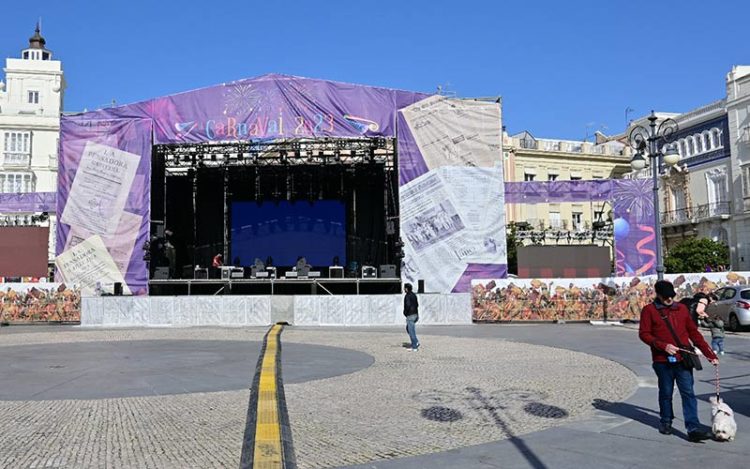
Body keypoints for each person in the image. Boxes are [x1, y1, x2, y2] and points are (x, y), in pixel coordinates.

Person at [639, 280, 719, 442]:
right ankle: (666, 421)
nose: (670, 300)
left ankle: (693, 428)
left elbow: (694, 333)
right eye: (666, 297)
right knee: (666, 392)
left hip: (683, 359)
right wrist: (662, 345)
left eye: (672, 296)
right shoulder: (649, 311)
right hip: (662, 360)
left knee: (688, 393)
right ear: (659, 295)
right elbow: (644, 334)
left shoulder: (681, 309)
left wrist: (710, 355)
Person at [403, 283, 420, 351]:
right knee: (408, 328)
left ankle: (414, 347)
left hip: (410, 315)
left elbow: (407, 305)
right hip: (415, 314)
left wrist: (405, 313)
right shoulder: (414, 295)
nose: (403, 289)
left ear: (406, 289)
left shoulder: (407, 296)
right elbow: (417, 304)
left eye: (404, 288)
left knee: (411, 331)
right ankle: (416, 341)